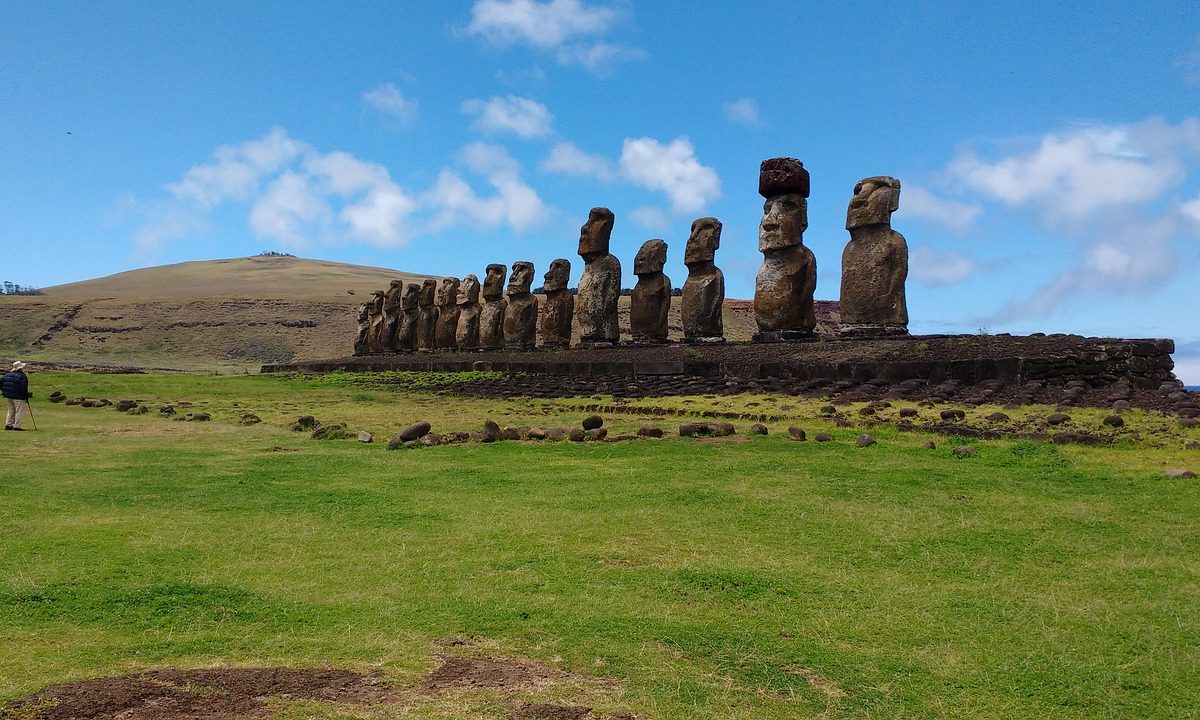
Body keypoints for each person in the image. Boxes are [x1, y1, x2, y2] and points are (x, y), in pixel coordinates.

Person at [3, 361, 32, 431]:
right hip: (19, 396)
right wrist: (26, 395)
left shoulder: (8, 375)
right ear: (21, 368)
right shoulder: (22, 376)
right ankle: (17, 426)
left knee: (10, 410)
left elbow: (3, 385)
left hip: (9, 396)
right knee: (19, 411)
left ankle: (8, 424)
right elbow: (23, 387)